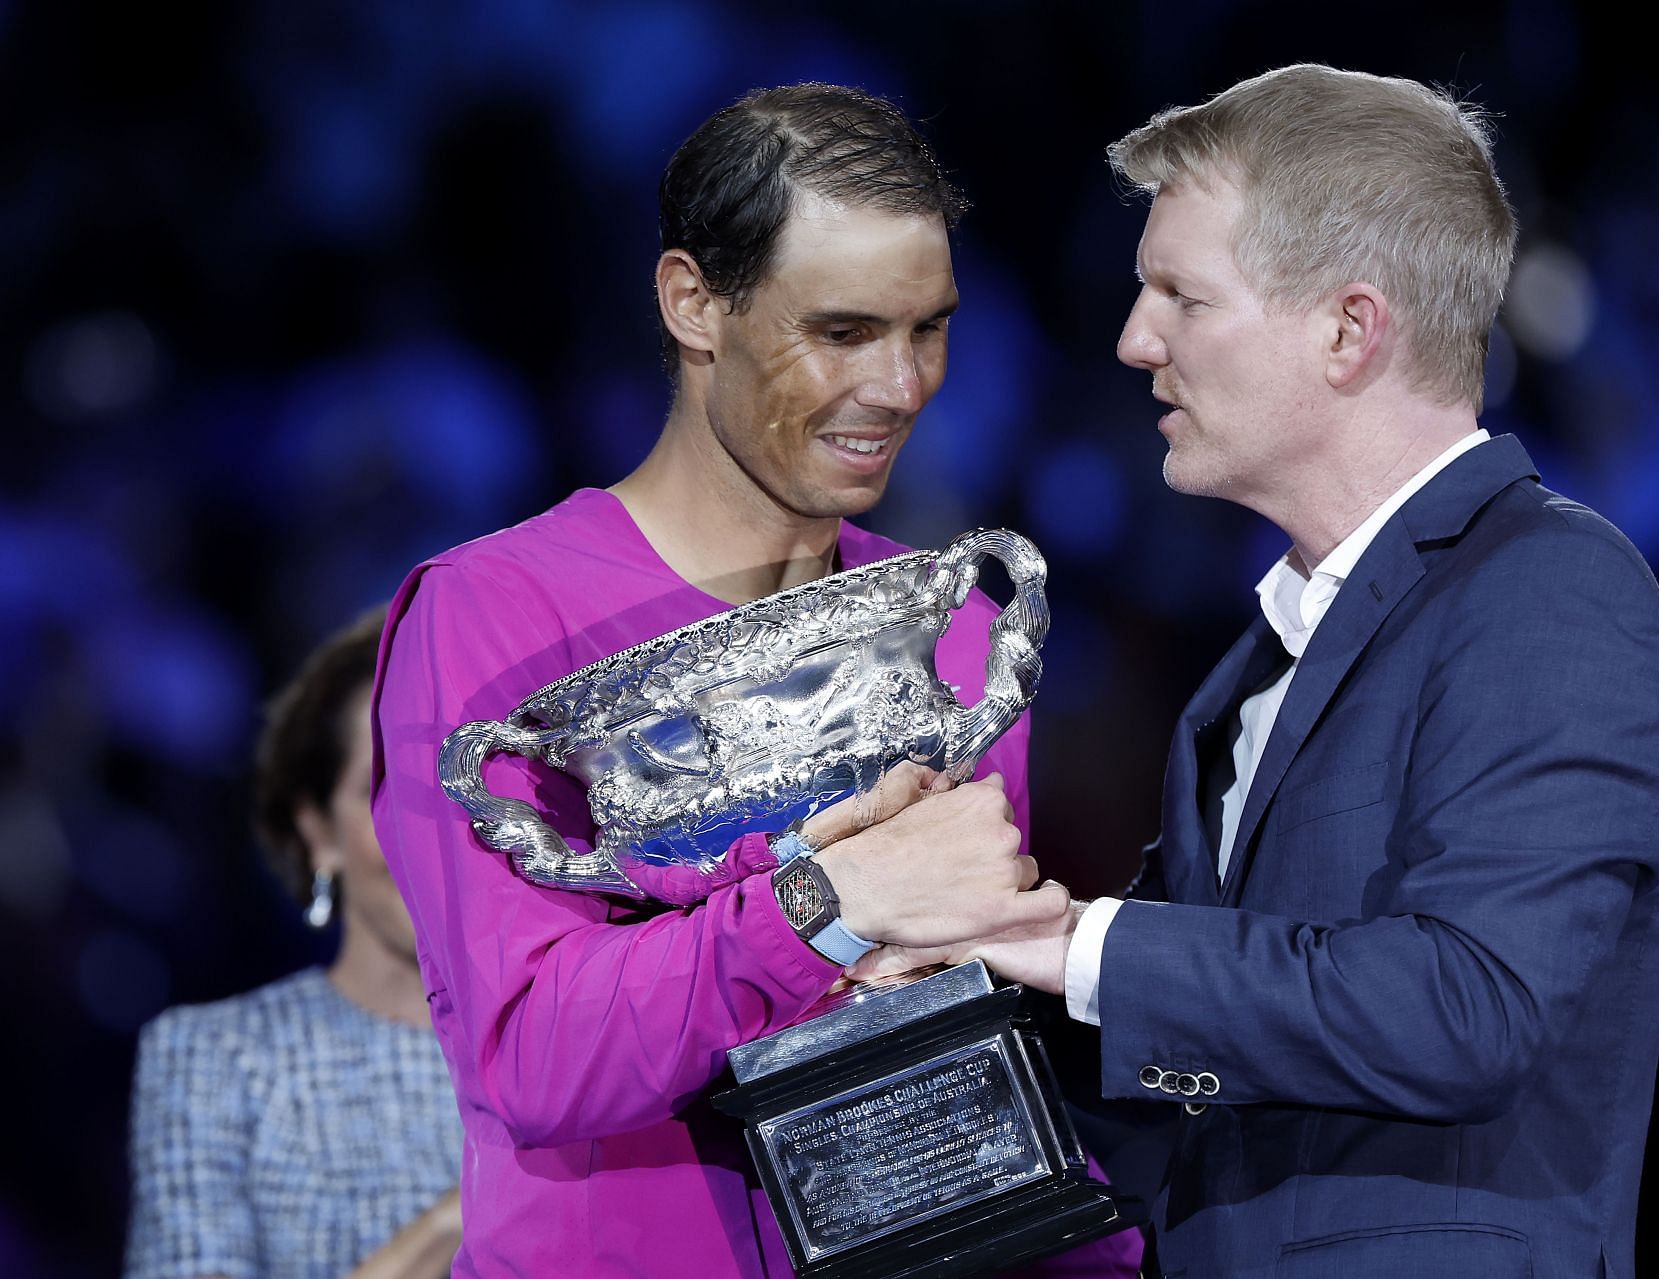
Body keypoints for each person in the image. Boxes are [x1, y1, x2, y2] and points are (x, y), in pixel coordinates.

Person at [860, 65, 1659, 1279]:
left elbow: (1470, 1007)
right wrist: (915, 961)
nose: (1133, 339)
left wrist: (1074, 942)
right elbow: (1204, 1043)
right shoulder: (1262, 659)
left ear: (1349, 332)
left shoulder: (1551, 593)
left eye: (1182, 297)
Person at [370, 84, 1139, 1275]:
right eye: (840, 332)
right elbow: (533, 1055)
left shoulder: (951, 629)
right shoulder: (492, 613)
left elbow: (947, 1055)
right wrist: (834, 901)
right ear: (693, 304)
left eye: (927, 328)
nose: (900, 386)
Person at [125, 610, 464, 1279]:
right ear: (319, 833)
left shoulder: (573, 1038)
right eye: (385, 791)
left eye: (458, 784)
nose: (428, 834)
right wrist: (466, 1216)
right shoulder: (218, 1059)